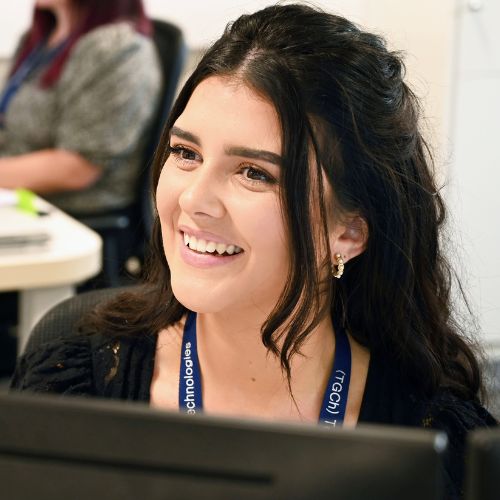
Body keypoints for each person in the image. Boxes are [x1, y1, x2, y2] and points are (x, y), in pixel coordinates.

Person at [10, 4, 496, 499]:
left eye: (254, 173)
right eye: (186, 153)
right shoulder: (75, 384)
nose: (193, 201)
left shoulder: (435, 441)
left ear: (348, 232)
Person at [0, 0, 162, 216]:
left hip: (73, 214)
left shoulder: (118, 49)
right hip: (20, 197)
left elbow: (76, 168)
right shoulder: (38, 40)